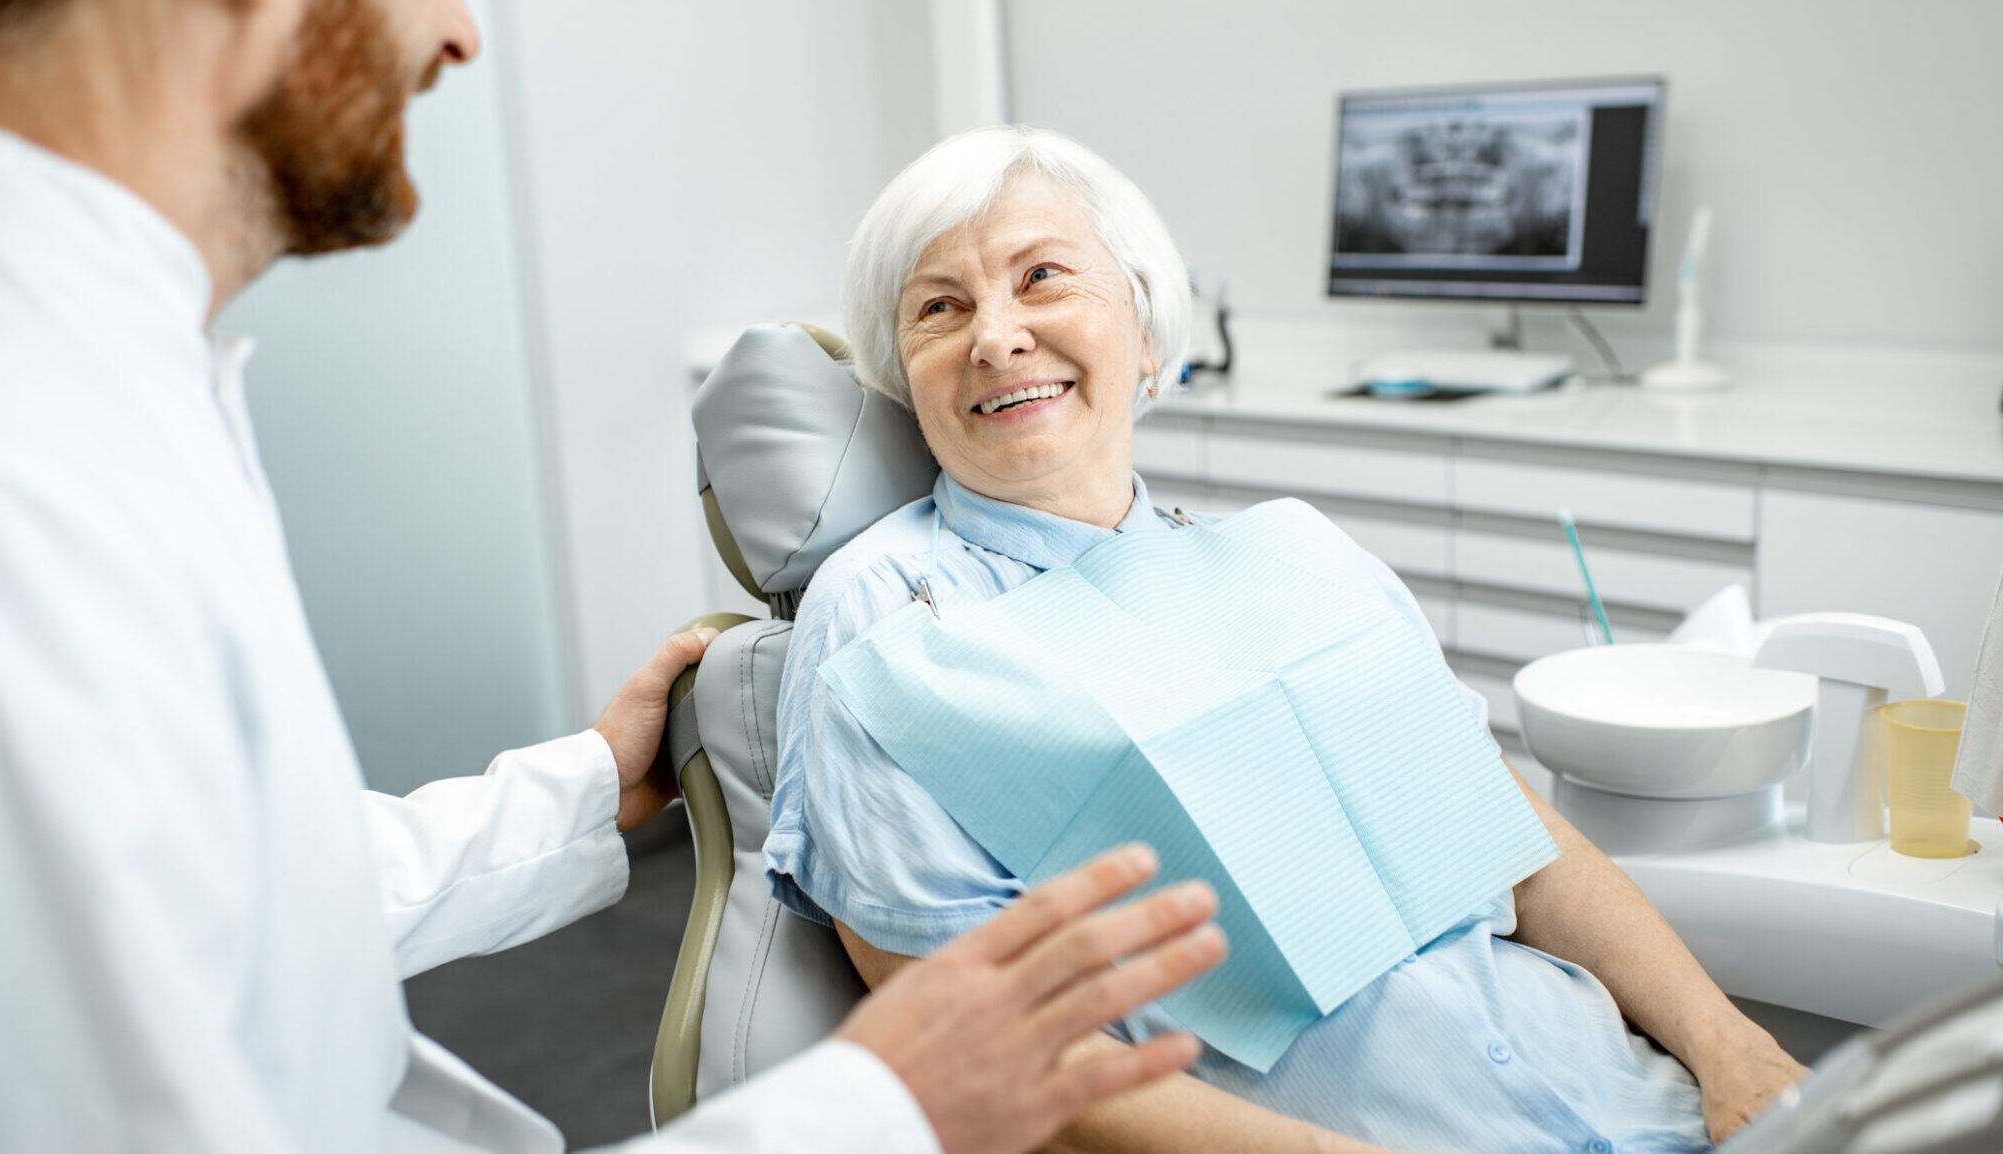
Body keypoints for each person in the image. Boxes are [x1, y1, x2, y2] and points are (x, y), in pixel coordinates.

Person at [0, 2, 1233, 1151]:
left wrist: (576, 788)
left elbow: (212, 890)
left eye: (1047, 276)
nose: (457, 36)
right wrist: (871, 1105)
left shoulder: (98, 385)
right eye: (940, 303)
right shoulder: (11, 470)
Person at [765, 125, 1812, 1154]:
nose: (993, 334)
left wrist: (1731, 1050)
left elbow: (1518, 848)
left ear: (1146, 332)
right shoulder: (892, 618)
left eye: (1041, 277)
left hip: (1632, 1094)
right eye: (937, 308)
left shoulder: (1294, 555)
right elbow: (979, 1044)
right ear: (905, 374)